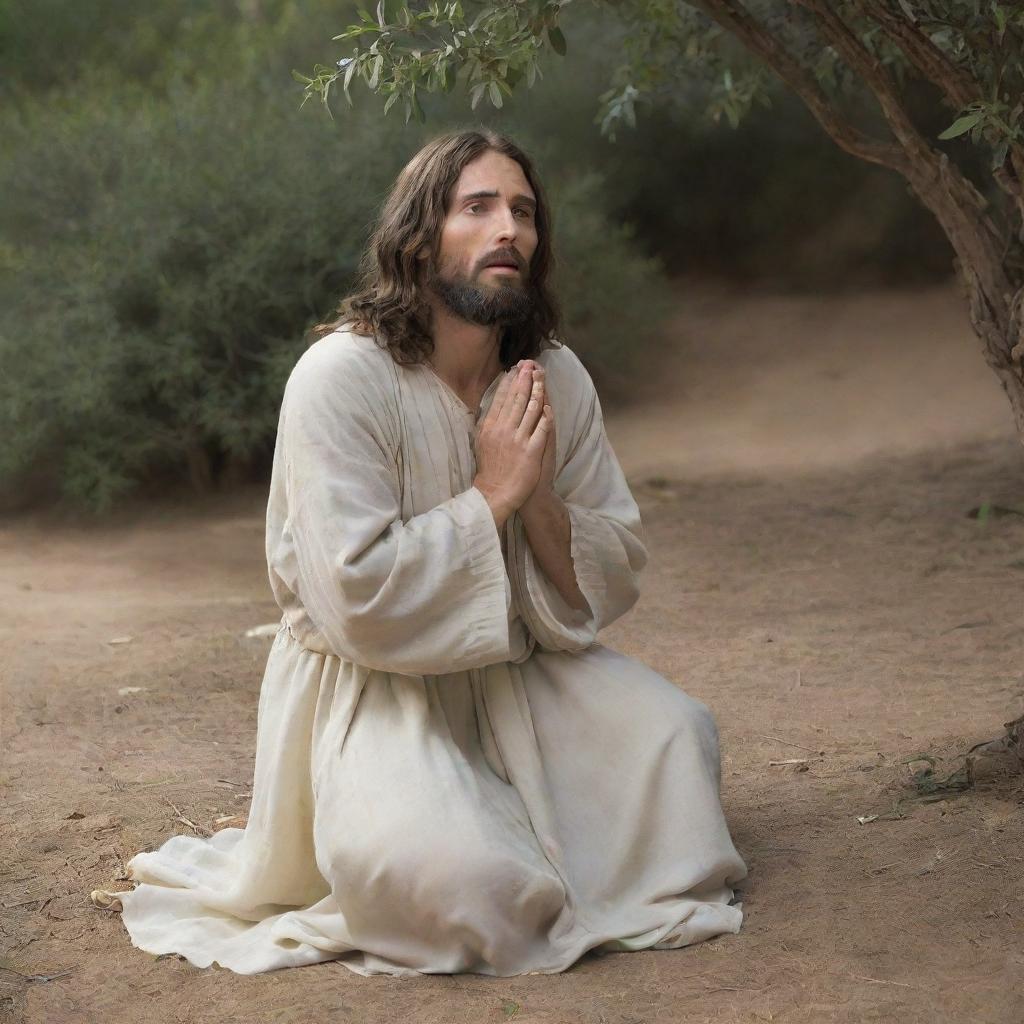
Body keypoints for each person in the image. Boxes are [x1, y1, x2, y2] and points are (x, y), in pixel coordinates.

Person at [94, 127, 748, 977]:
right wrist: (492, 497)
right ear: (418, 235)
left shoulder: (555, 376)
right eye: (477, 207)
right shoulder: (340, 379)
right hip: (374, 690)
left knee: (676, 740)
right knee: (462, 884)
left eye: (522, 211)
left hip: (519, 670)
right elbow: (356, 597)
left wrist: (532, 488)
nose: (506, 228)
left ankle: (525, 816)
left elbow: (609, 571)